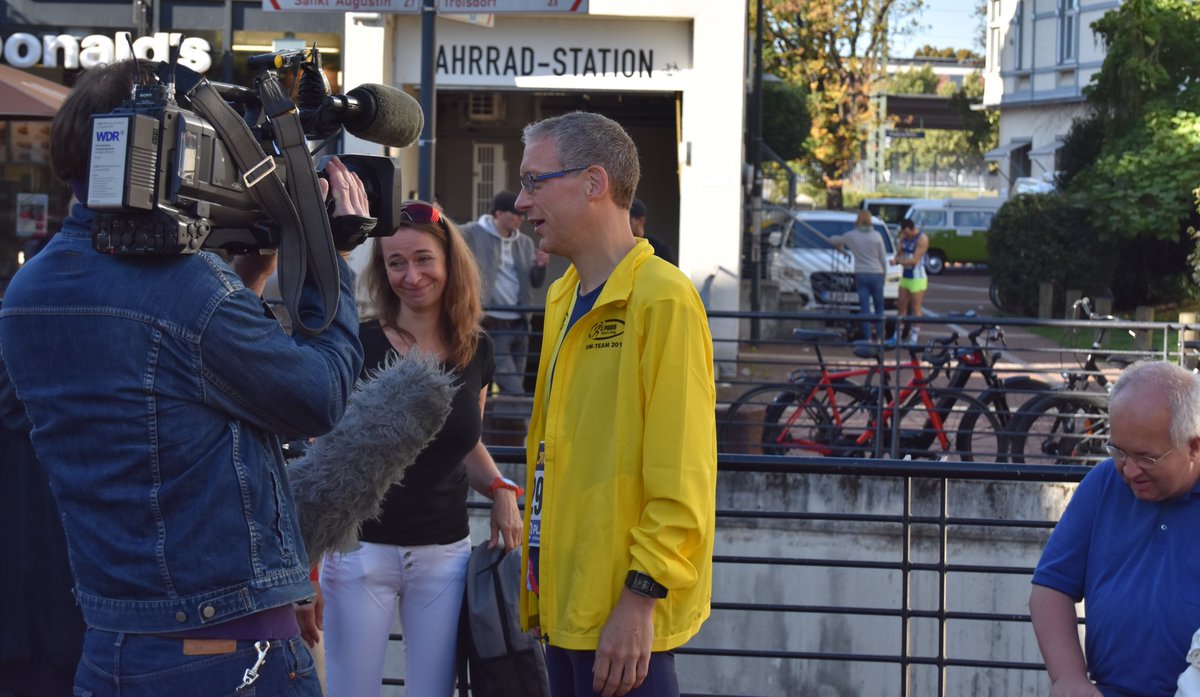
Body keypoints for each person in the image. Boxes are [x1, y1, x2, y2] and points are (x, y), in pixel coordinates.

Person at [0, 59, 368, 697]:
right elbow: (319, 396)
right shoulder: (186, 288)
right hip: (228, 650)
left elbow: (173, 382)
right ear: (166, 148)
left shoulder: (29, 291)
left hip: (113, 643)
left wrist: (245, 280)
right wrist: (330, 263)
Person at [514, 111, 717, 697]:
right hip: (564, 607)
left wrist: (640, 599)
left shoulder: (665, 298)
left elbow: (684, 476)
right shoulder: (561, 297)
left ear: (593, 183)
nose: (523, 203)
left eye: (534, 181)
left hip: (624, 621)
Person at [319, 201, 524, 697]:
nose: (410, 275)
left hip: (444, 555)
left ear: (450, 262)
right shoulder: (357, 343)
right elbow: (323, 451)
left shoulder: (479, 349)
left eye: (423, 259)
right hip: (359, 551)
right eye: (395, 263)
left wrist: (499, 488)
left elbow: (464, 440)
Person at [1029, 360, 1200, 697]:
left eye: (1146, 457)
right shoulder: (1105, 481)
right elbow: (1049, 589)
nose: (1129, 470)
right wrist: (1068, 678)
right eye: (1118, 451)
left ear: (1194, 446)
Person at [462, 190, 549, 395]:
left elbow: (535, 283)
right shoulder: (473, 232)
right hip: (492, 322)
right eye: (515, 213)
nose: (521, 218)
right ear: (498, 214)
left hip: (520, 323)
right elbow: (448, 234)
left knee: (513, 383)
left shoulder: (525, 242)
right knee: (514, 389)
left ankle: (508, 424)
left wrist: (541, 267)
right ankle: (524, 426)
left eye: (522, 214)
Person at [829, 210, 889, 342]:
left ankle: (867, 337)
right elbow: (883, 258)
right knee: (879, 307)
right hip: (877, 273)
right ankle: (880, 337)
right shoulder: (877, 235)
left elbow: (832, 240)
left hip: (861, 273)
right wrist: (885, 275)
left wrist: (842, 249)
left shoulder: (851, 235)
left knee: (864, 308)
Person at [889, 217, 927, 344]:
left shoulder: (922, 239)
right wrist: (896, 257)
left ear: (910, 229)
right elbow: (898, 253)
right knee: (901, 305)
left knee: (916, 307)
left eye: (906, 232)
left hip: (917, 278)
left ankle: (914, 337)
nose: (905, 235)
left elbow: (914, 260)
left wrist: (899, 262)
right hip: (905, 276)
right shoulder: (904, 239)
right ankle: (897, 336)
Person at [628, 197, 677, 266]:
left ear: (641, 220)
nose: (624, 224)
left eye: (629, 221)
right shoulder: (620, 247)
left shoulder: (660, 249)